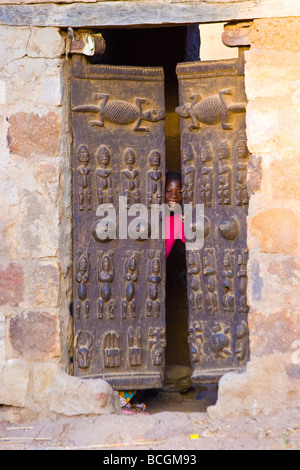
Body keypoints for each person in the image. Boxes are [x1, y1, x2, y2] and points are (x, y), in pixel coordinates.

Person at [164, 171, 190, 368]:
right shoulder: (150, 217)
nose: (174, 196)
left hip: (174, 286)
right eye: (168, 191)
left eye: (179, 192)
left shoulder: (180, 220)